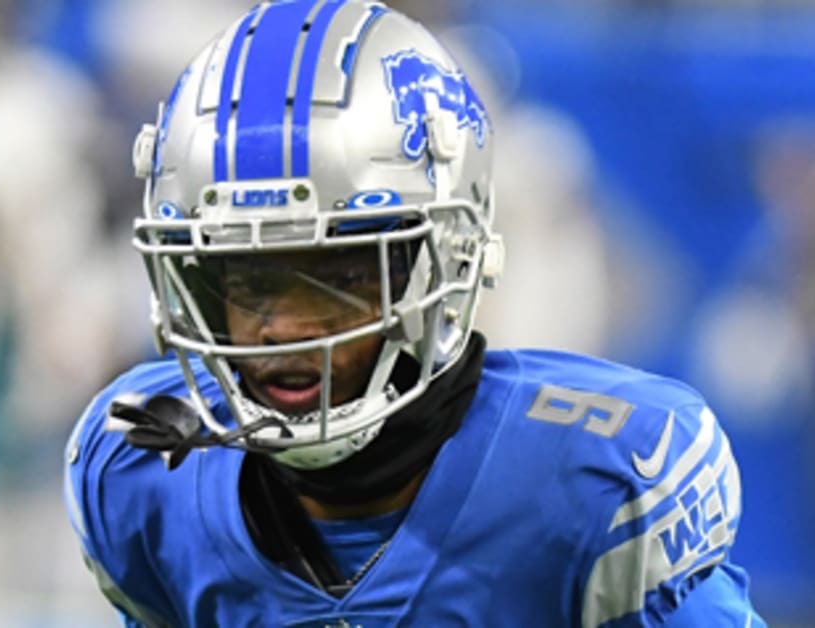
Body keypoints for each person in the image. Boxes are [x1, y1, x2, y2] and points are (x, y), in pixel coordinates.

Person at [63, 1, 763, 625]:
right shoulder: (142, 483)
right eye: (248, 284)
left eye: (335, 277)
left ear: (446, 260)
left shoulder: (594, 487)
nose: (284, 327)